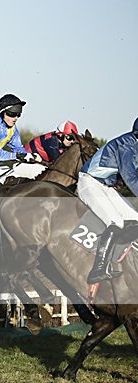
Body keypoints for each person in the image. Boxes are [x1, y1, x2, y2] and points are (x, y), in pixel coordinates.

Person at [78, 117, 138, 283]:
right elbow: (131, 178)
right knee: (116, 221)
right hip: (90, 182)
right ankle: (98, 270)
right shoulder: (126, 144)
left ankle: (114, 259)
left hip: (105, 186)